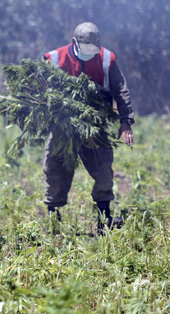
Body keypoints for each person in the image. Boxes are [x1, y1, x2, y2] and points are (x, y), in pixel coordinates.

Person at [43, 22, 134, 232]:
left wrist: (126, 120)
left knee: (103, 171)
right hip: (62, 129)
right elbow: (38, 92)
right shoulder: (54, 59)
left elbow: (121, 91)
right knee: (56, 171)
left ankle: (105, 220)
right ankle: (53, 223)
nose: (89, 53)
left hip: (95, 128)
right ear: (74, 42)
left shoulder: (106, 59)